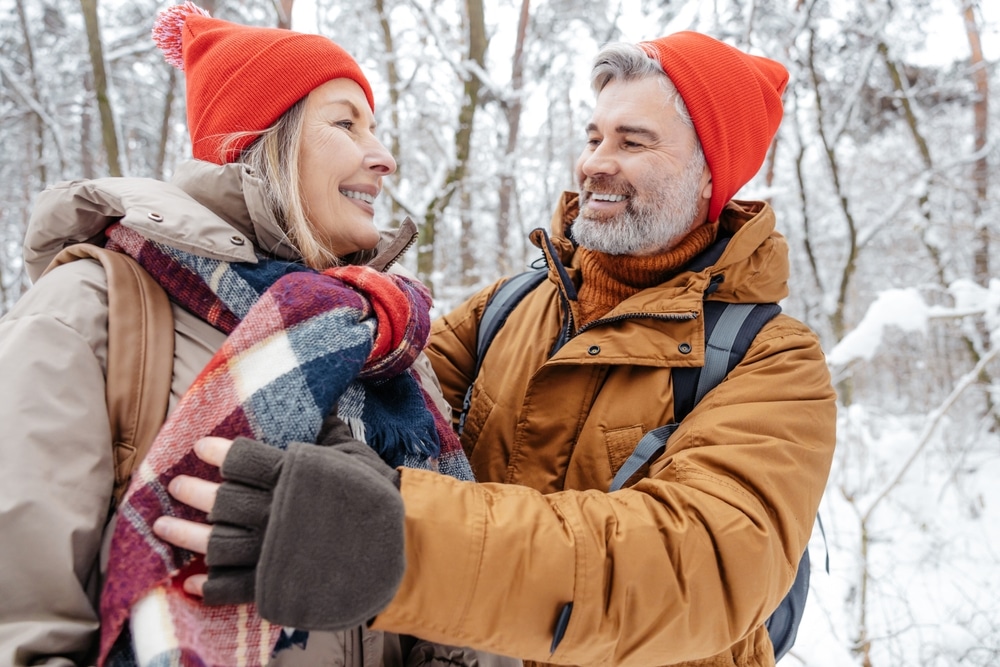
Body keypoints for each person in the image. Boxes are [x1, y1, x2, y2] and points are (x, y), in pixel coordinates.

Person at [154, 31, 838, 667]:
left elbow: (701, 564)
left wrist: (396, 541)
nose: (594, 163)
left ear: (710, 174)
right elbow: (370, 405)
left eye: (632, 142)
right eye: (594, 136)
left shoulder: (772, 361)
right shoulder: (507, 308)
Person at [0, 4, 518, 666]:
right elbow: (21, 622)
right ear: (256, 143)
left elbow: (457, 601)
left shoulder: (381, 339)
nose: (384, 157)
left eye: (376, 128)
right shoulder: (92, 310)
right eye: (345, 123)